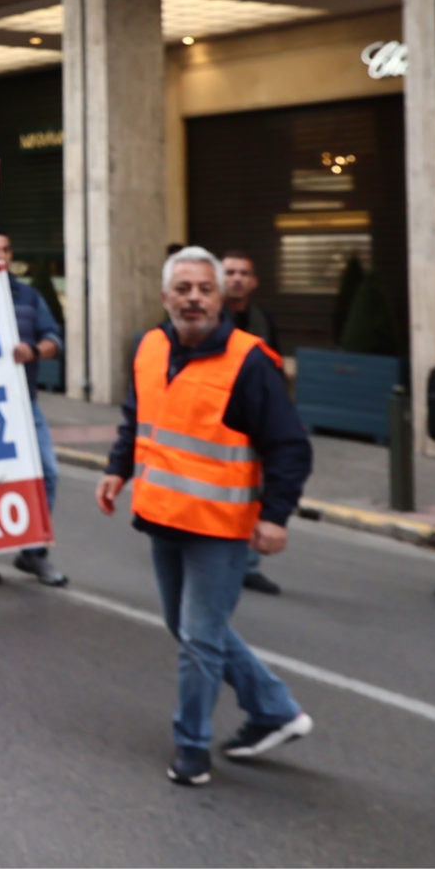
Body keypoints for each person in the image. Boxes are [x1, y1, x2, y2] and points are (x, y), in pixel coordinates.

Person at [95, 246, 314, 787]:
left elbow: (290, 446)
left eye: (205, 289)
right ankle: (275, 708)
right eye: (184, 288)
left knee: (198, 636)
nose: (194, 298)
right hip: (162, 514)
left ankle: (191, 749)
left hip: (220, 527)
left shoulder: (250, 361)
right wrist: (117, 468)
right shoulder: (149, 346)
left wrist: (276, 516)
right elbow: (137, 416)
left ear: (222, 298)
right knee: (190, 627)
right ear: (166, 295)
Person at [0, 232, 67, 588]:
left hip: (23, 403)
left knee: (47, 473)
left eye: (6, 249)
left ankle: (33, 552)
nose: (0, 256)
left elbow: (55, 339)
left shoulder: (28, 296)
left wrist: (34, 351)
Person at [218, 251, 282, 596]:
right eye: (230, 272)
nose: (237, 279)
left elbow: (274, 369)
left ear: (254, 281)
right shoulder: (208, 319)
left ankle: (247, 565)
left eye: (244, 273)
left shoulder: (262, 320)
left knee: (250, 493)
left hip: (253, 422)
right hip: (214, 422)